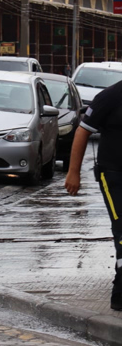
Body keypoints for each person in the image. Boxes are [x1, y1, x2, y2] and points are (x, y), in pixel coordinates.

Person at [65, 81, 122, 311]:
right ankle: (119, 294)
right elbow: (82, 131)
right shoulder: (111, 96)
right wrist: (73, 172)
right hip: (114, 176)